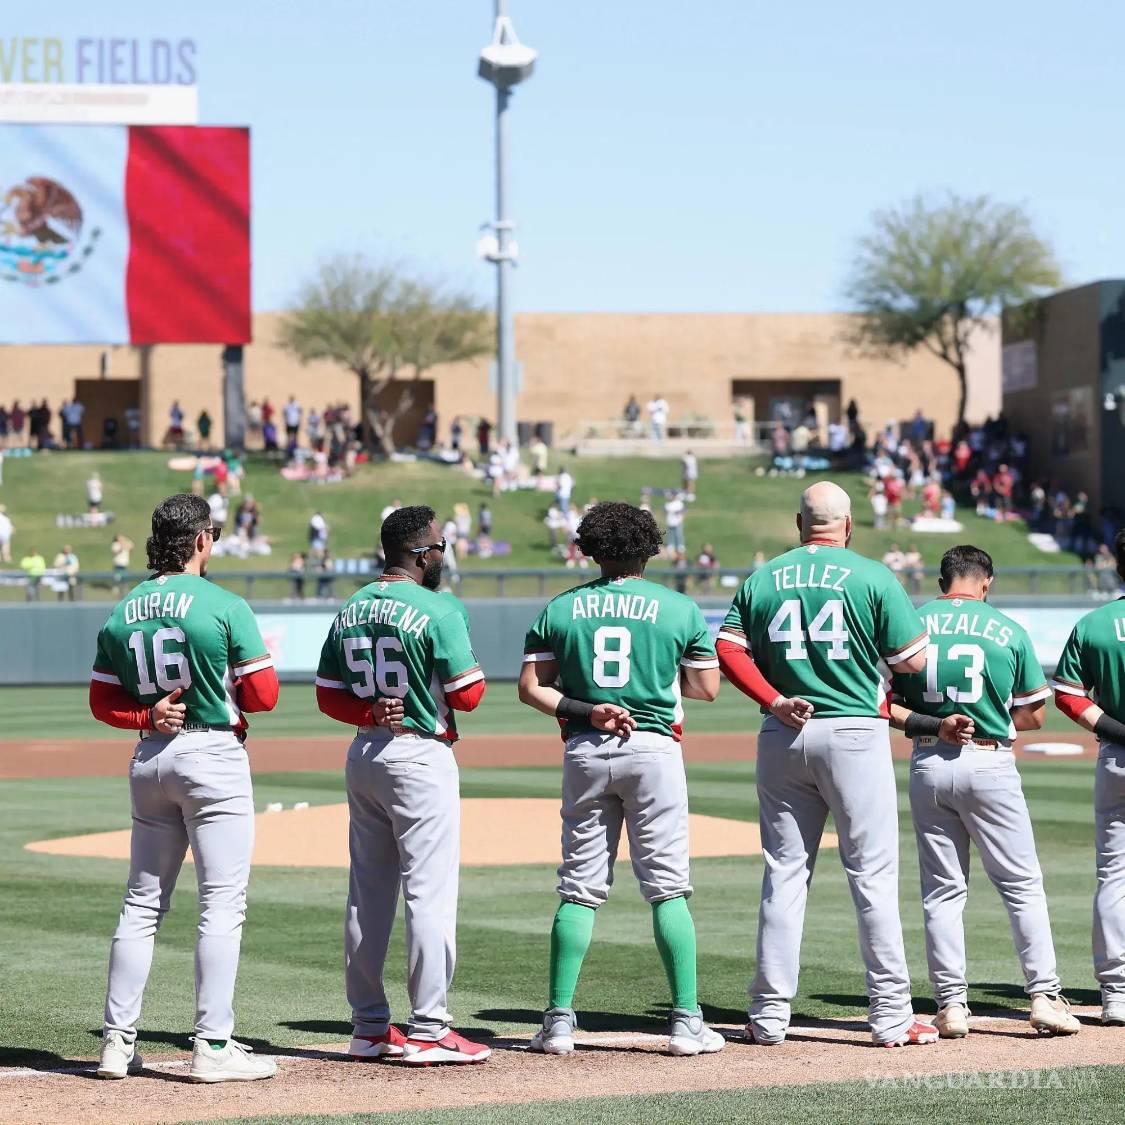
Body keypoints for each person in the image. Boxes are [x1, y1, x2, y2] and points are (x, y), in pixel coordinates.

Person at [716, 481, 937, 1048]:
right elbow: (912, 660)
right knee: (872, 874)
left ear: (799, 524)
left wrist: (774, 699)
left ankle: (769, 1016)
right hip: (855, 731)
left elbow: (728, 649)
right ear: (849, 524)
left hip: (783, 730)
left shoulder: (763, 577)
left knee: (785, 873)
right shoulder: (871, 576)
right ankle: (891, 1016)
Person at [517, 501, 723, 1057]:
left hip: (587, 747)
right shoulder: (678, 607)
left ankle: (558, 1021)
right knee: (668, 887)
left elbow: (532, 688)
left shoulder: (561, 608)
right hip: (653, 749)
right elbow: (706, 688)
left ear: (590, 548)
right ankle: (686, 1020)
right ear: (649, 547)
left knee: (579, 889)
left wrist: (588, 709)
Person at [88, 494, 279, 1082]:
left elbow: (101, 700)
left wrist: (146, 716)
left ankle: (116, 1043)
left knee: (141, 904)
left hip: (150, 755)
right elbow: (264, 697)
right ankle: (212, 1046)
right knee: (221, 903)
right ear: (200, 540)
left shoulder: (124, 608)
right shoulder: (224, 603)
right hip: (212, 755)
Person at [315, 505, 490, 1065]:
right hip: (419, 755)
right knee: (428, 892)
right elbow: (468, 695)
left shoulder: (352, 605)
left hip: (364, 753)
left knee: (367, 895)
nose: (443, 553)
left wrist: (369, 709)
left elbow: (326, 695)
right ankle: (430, 1029)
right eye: (439, 545)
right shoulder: (439, 608)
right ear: (421, 553)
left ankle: (368, 1026)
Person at [888, 545, 1079, 1039]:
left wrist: (934, 722)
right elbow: (1034, 714)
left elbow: (884, 704)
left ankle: (951, 1005)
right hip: (990, 759)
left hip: (929, 757)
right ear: (986, 581)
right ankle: (1044, 996)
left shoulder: (911, 624)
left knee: (943, 890)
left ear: (941, 581)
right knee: (1020, 884)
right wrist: (989, 718)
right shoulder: (1007, 629)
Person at [1053, 528, 1125, 1027]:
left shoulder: (1095, 624)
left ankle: (1117, 994)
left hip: (1118, 756)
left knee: (1115, 876)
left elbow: (1068, 695)